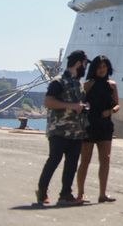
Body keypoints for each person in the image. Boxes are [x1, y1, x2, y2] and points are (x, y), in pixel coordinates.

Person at [37, 49, 89, 206]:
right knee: (54, 159)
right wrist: (72, 106)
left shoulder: (78, 83)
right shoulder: (58, 82)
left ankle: (66, 193)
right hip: (58, 129)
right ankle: (42, 191)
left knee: (72, 163)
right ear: (79, 63)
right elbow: (48, 102)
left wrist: (84, 106)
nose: (85, 68)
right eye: (85, 64)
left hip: (76, 131)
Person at [77, 55, 119, 204]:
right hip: (89, 124)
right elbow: (80, 102)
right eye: (99, 67)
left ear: (108, 68)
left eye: (104, 66)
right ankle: (80, 193)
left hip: (105, 125)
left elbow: (117, 104)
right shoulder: (88, 84)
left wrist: (111, 111)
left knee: (105, 160)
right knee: (85, 160)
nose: (102, 69)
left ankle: (103, 194)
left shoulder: (112, 85)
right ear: (94, 68)